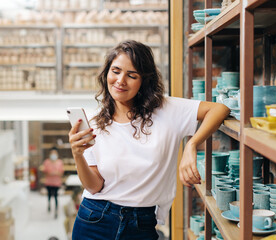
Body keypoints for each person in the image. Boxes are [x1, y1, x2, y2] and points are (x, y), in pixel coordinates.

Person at [69, 40, 230, 240]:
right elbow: (95, 186)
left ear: (144, 80)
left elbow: (220, 109)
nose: (120, 81)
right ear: (106, 74)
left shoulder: (168, 109)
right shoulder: (95, 122)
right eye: (116, 71)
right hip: (93, 219)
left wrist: (192, 144)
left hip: (141, 223)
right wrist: (78, 155)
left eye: (131, 75)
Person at [40, 147, 64, 219]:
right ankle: (49, 205)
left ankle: (56, 211)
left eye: (55, 153)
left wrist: (56, 173)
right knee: (49, 196)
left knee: (56, 197)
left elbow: (61, 173)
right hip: (49, 182)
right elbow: (45, 172)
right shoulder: (46, 162)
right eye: (52, 153)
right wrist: (51, 173)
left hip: (57, 183)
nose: (53, 155)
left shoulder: (60, 162)